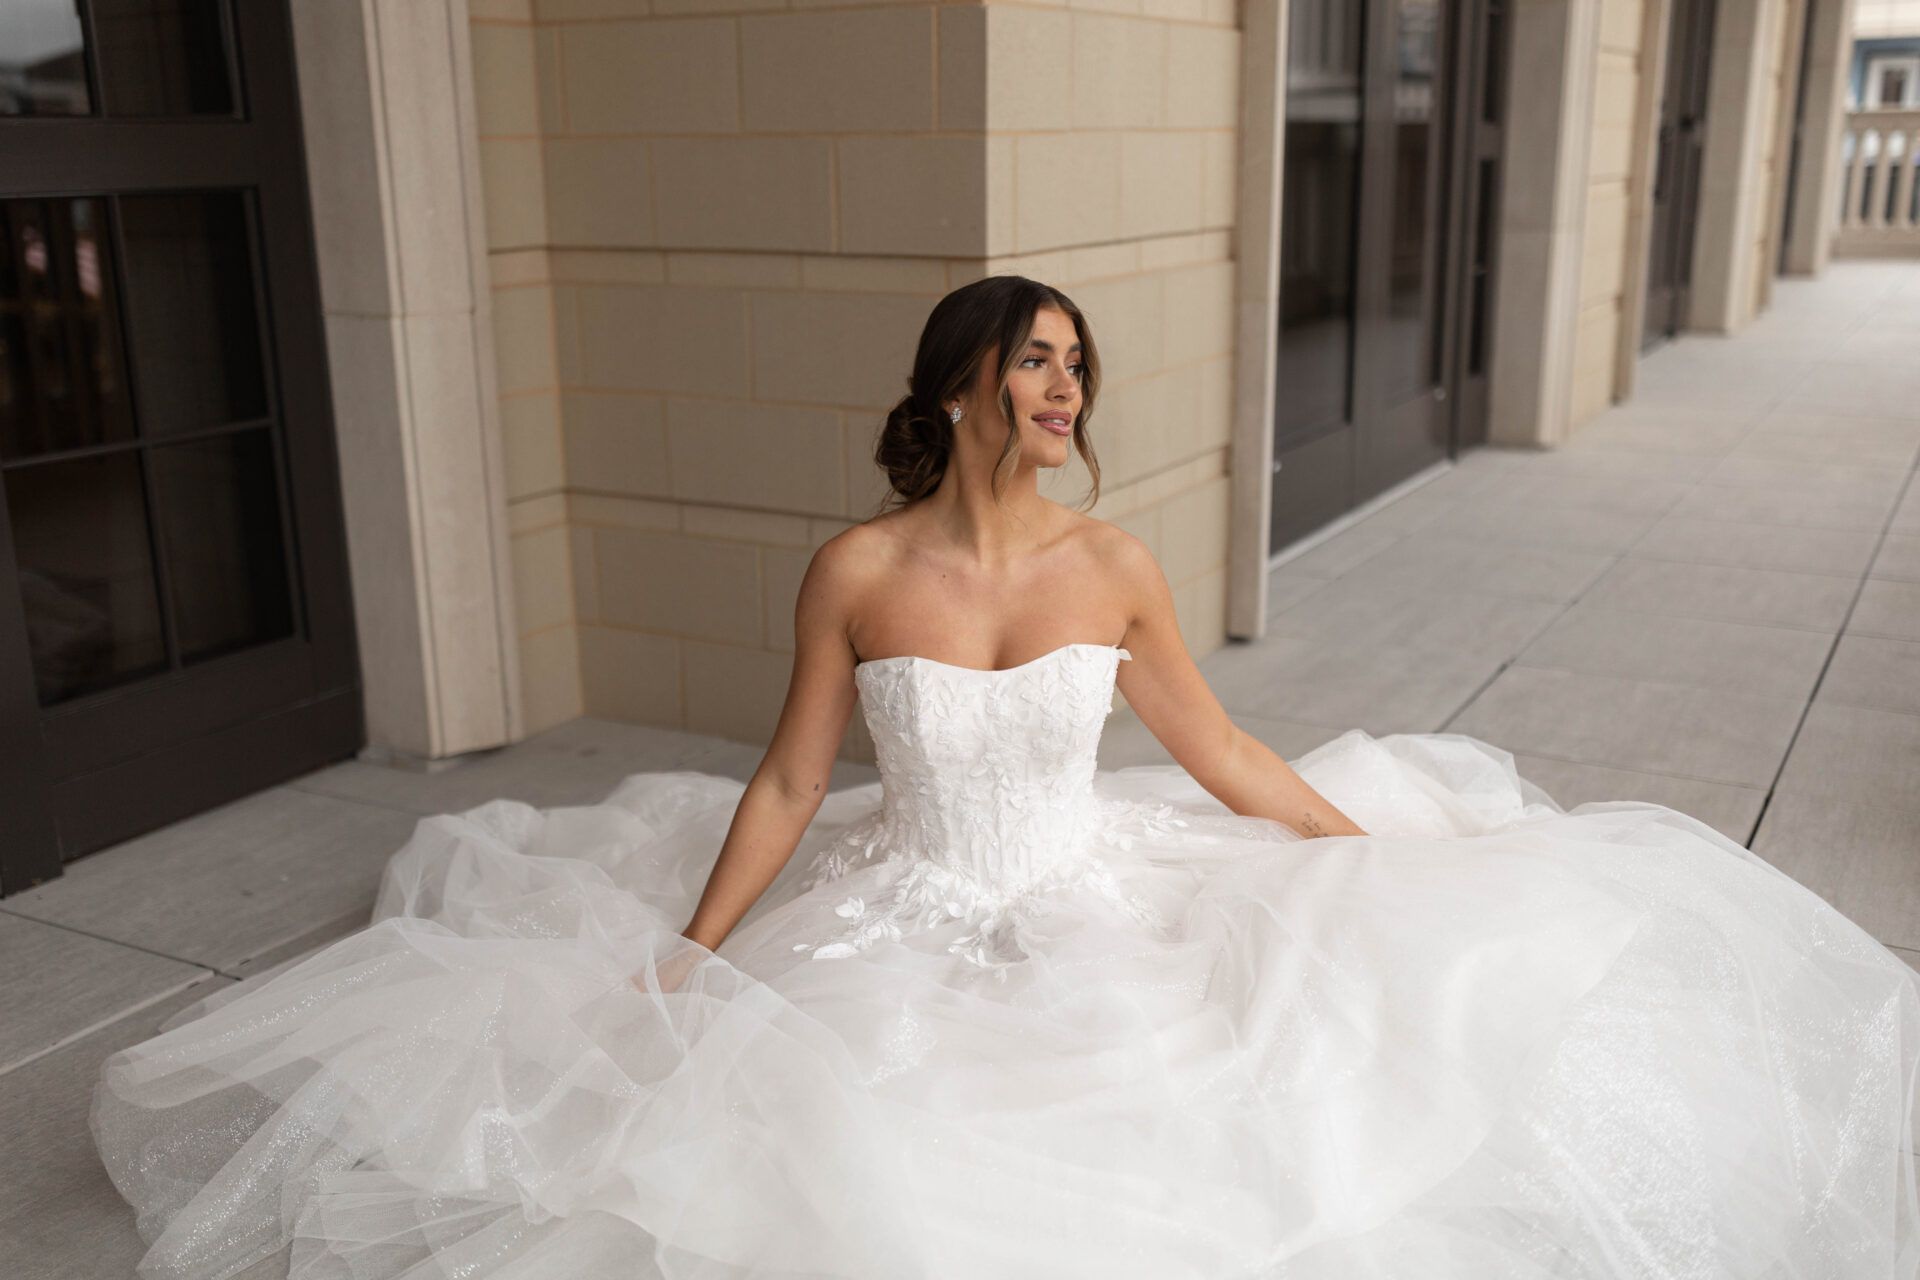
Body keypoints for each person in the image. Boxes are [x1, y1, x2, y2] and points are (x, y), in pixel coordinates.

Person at [92, 275, 1920, 1279]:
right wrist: (697, 946)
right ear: (962, 381)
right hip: (898, 904)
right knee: (824, 1138)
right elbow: (790, 786)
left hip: (1093, 883)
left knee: (1215, 1117)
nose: (1064, 390)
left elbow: (1216, 748)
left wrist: (1369, 850)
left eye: (1076, 370)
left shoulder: (1111, 565)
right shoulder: (855, 570)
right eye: (1037, 361)